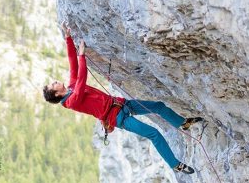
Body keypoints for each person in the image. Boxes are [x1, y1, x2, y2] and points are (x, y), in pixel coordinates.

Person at [42, 24, 202, 174]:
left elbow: (72, 65)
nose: (55, 81)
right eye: (52, 85)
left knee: (158, 106)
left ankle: (182, 123)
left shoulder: (70, 87)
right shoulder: (71, 102)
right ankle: (175, 165)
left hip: (121, 104)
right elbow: (82, 80)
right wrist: (82, 55)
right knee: (153, 133)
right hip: (119, 118)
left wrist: (68, 38)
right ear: (56, 94)